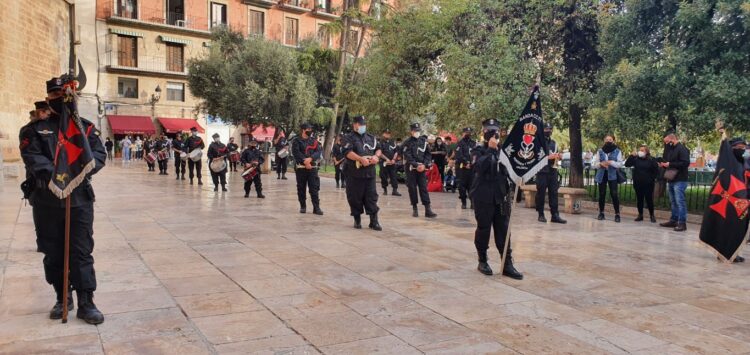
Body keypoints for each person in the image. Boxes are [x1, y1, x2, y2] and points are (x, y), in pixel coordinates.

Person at [19, 77, 107, 324]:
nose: (62, 98)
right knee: (53, 252)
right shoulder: (33, 129)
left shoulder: (85, 129)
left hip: (79, 201)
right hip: (47, 200)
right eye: (57, 94)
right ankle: (62, 297)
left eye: (66, 93)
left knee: (81, 252)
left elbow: (98, 155)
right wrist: (60, 177)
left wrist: (76, 174)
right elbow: (33, 158)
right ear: (49, 98)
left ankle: (87, 302)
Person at [471, 119, 523, 279]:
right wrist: (491, 151)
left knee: (504, 230)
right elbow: (479, 167)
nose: (492, 134)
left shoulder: (505, 151)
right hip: (483, 196)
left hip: (500, 197)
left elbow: (511, 169)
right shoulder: (478, 150)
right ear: (484, 133)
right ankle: (482, 261)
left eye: (495, 131)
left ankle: (507, 263)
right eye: (489, 130)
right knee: (484, 229)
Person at [342, 116, 382, 230]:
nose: (362, 126)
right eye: (360, 124)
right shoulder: (348, 138)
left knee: (372, 196)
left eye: (364, 124)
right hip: (354, 173)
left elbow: (378, 149)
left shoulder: (371, 137)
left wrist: (376, 156)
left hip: (370, 173)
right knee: (355, 197)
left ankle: (374, 221)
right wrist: (360, 159)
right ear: (355, 125)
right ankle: (357, 219)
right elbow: (347, 152)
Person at [403, 123, 437, 218]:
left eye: (418, 130)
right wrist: (416, 164)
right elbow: (407, 155)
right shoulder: (407, 142)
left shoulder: (424, 141)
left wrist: (424, 164)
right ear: (411, 131)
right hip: (411, 168)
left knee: (423, 188)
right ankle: (415, 208)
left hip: (422, 168)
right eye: (415, 131)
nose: (417, 132)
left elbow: (428, 154)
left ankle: (428, 209)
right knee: (412, 188)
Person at [535, 123, 567, 224]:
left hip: (552, 171)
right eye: (546, 128)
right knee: (541, 193)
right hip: (542, 171)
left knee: (554, 193)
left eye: (550, 129)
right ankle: (541, 214)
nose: (548, 130)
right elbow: (536, 157)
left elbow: (555, 155)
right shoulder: (538, 142)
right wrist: (549, 157)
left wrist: (559, 156)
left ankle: (555, 215)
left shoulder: (554, 143)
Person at [659, 131, 691, 231]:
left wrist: (670, 164)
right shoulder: (671, 149)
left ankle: (682, 223)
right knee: (673, 201)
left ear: (673, 139)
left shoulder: (682, 149)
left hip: (680, 179)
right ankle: (674, 220)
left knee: (680, 201)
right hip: (672, 178)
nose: (667, 144)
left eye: (667, 142)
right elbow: (671, 162)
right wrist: (664, 164)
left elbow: (685, 163)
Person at [291, 122, 323, 215]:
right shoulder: (296, 141)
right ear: (303, 130)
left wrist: (310, 159)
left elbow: (318, 151)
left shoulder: (314, 141)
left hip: (312, 167)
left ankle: (316, 208)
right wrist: (305, 161)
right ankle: (303, 206)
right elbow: (296, 153)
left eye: (310, 129)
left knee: (314, 188)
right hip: (300, 168)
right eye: (308, 129)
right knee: (301, 187)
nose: (310, 131)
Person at [593, 135, 625, 222]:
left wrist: (611, 162)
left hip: (612, 174)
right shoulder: (600, 151)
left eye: (610, 139)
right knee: (602, 194)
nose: (608, 141)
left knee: (614, 194)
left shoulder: (617, 151)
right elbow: (595, 164)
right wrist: (600, 164)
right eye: (606, 139)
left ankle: (617, 214)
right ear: (604, 140)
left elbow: (620, 164)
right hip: (602, 174)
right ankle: (601, 213)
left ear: (613, 141)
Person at [625, 145, 659, 222]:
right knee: (639, 199)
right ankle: (640, 215)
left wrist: (651, 178)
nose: (640, 151)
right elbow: (627, 164)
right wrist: (631, 156)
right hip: (638, 182)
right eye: (640, 150)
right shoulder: (636, 159)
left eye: (642, 150)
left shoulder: (651, 159)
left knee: (649, 199)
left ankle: (652, 215)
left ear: (646, 151)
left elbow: (656, 171)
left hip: (648, 183)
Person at [454, 127, 477, 209]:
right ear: (463, 133)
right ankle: (463, 202)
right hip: (462, 169)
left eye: (469, 132)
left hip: (471, 168)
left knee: (472, 186)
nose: (468, 134)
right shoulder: (459, 143)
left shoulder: (474, 143)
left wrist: (472, 163)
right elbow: (458, 155)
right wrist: (465, 162)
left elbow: (476, 154)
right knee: (461, 186)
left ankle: (472, 202)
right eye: (466, 132)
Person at [378, 128, 401, 196]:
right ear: (383, 134)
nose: (387, 135)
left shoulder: (392, 142)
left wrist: (394, 159)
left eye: (388, 134)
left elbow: (396, 151)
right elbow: (380, 153)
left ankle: (395, 190)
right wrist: (386, 159)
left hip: (392, 162)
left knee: (393, 176)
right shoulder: (380, 142)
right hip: (384, 162)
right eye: (386, 133)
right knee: (383, 177)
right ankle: (385, 190)